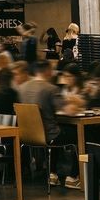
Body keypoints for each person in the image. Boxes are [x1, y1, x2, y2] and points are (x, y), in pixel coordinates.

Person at [18, 60, 81, 188]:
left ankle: (53, 174)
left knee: (58, 130)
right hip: (49, 135)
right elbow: (70, 111)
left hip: (27, 136)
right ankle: (73, 177)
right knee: (80, 134)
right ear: (48, 71)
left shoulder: (22, 88)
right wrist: (79, 102)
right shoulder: (51, 89)